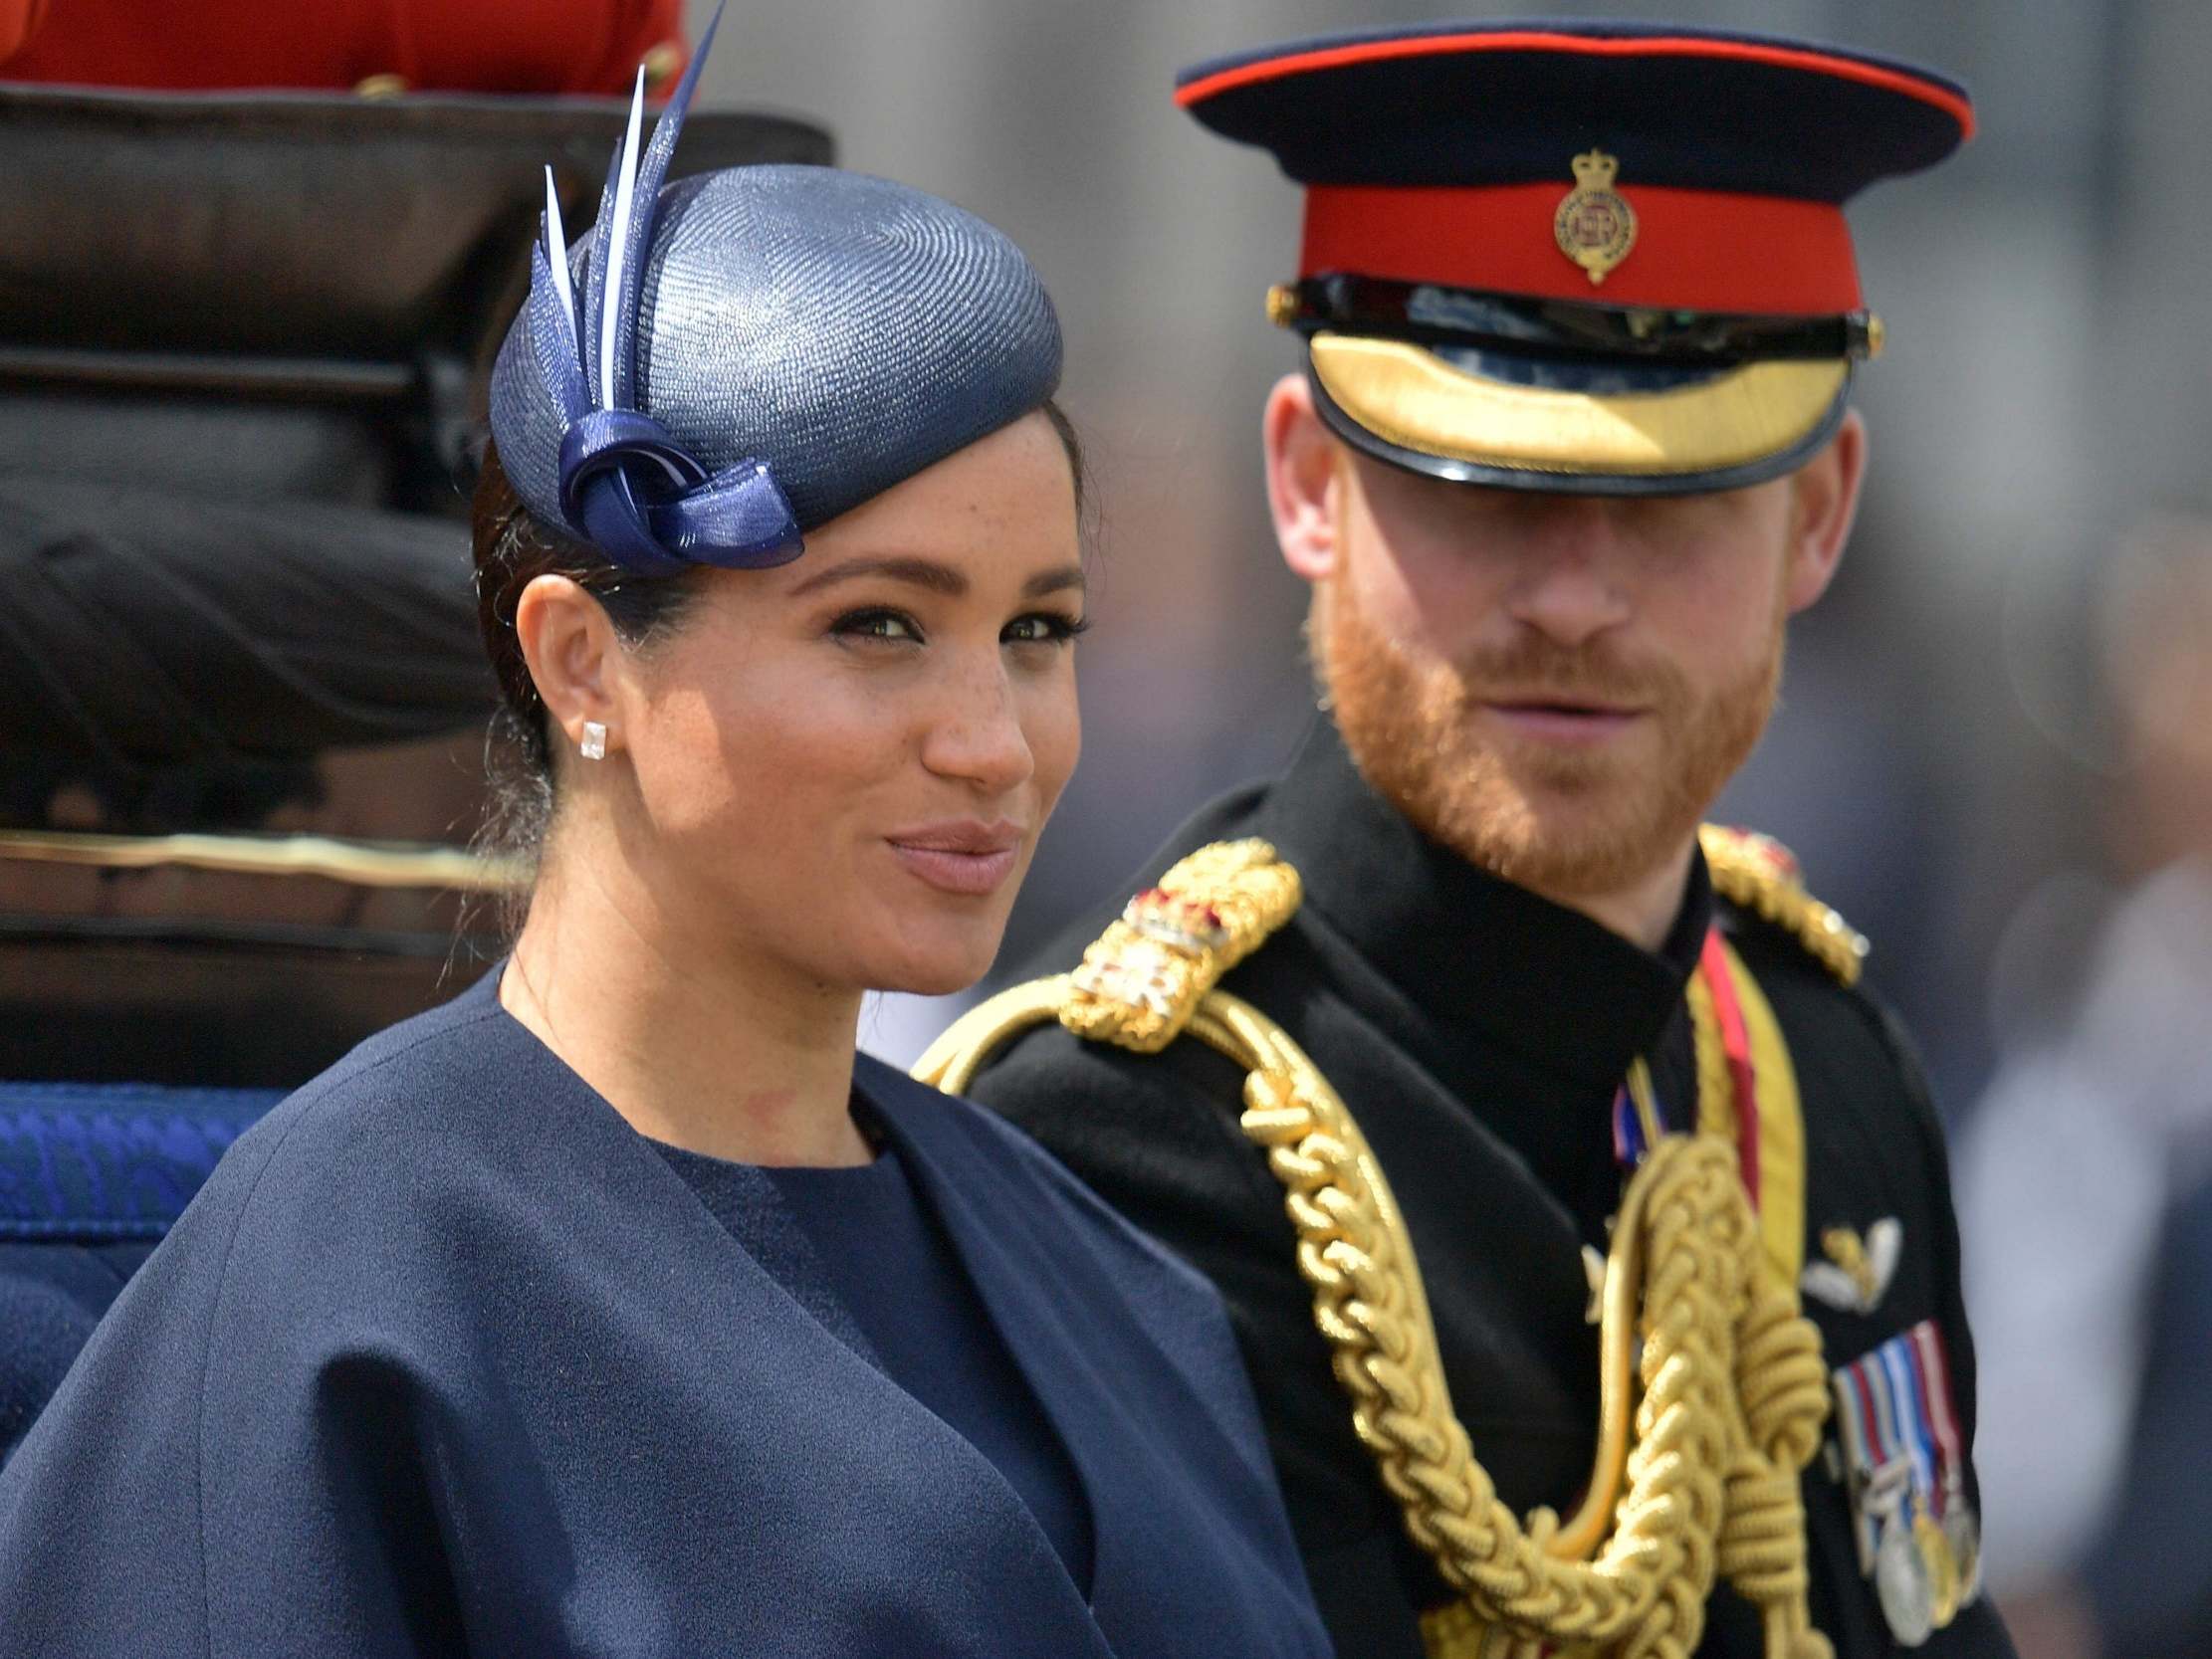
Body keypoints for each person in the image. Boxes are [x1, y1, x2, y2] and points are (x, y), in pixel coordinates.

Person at [0, 29, 1330, 1658]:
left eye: (1038, 631)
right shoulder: (349, 1281)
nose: (994, 740)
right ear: (581, 662)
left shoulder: (1107, 1280)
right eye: (881, 627)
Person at [935, 21, 2018, 1659]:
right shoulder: (1125, 1139)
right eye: (1486, 493)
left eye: (1670, 506)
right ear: (1307, 484)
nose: (1575, 602)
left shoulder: (1831, 1072)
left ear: (1816, 519)